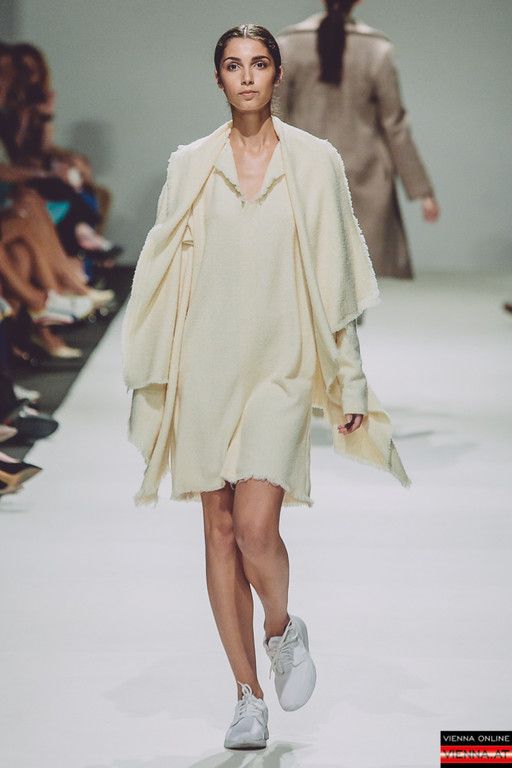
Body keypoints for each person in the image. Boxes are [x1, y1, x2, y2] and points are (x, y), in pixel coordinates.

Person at [122, 24, 411, 751]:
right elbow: (163, 274)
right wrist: (157, 378)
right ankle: (247, 696)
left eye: (258, 64)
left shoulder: (315, 162)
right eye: (233, 65)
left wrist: (348, 382)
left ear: (278, 75)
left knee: (255, 529)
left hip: (280, 367)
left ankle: (281, 631)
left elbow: (337, 280)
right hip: (204, 367)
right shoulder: (190, 165)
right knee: (218, 531)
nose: (246, 76)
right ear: (217, 77)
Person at [275, 0, 440, 281]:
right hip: (366, 174)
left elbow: (275, 114)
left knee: (309, 271)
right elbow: (394, 124)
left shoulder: (289, 44)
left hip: (304, 171)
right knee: (359, 276)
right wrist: (422, 191)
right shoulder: (376, 49)